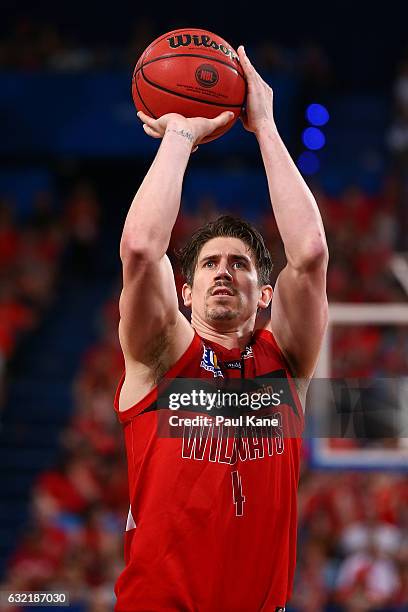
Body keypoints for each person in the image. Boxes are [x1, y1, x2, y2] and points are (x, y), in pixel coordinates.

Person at [114, 45, 328, 611]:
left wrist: (265, 128)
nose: (223, 273)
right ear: (185, 293)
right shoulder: (162, 356)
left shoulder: (286, 364)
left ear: (265, 294)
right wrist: (180, 135)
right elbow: (140, 248)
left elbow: (308, 254)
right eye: (209, 264)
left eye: (239, 264)